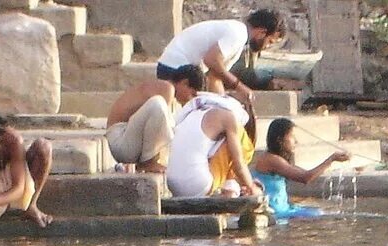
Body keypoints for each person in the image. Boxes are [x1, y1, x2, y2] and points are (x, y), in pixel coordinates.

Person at [155, 9, 285, 101]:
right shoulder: (238, 33)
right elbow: (211, 60)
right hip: (174, 70)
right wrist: (239, 86)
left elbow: (214, 76)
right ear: (262, 33)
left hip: (174, 68)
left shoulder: (239, 38)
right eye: (270, 42)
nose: (267, 46)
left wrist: (223, 102)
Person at [106, 65, 205, 174]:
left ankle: (150, 161)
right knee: (157, 104)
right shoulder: (167, 88)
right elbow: (164, 126)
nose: (191, 100)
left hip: (131, 143)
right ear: (184, 83)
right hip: (120, 141)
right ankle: (148, 162)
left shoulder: (173, 100)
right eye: (192, 94)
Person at [166, 93, 262, 198]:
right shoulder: (228, 117)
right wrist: (252, 187)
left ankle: (232, 187)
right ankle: (230, 190)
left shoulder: (195, 112)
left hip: (171, 183)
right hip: (197, 185)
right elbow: (238, 164)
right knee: (240, 141)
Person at [250, 117, 350, 218]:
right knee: (320, 215)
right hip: (275, 213)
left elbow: (306, 173)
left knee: (323, 212)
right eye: (292, 137)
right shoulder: (272, 160)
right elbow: (305, 178)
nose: (296, 141)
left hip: (284, 209)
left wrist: (330, 163)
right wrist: (331, 160)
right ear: (280, 139)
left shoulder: (275, 159)